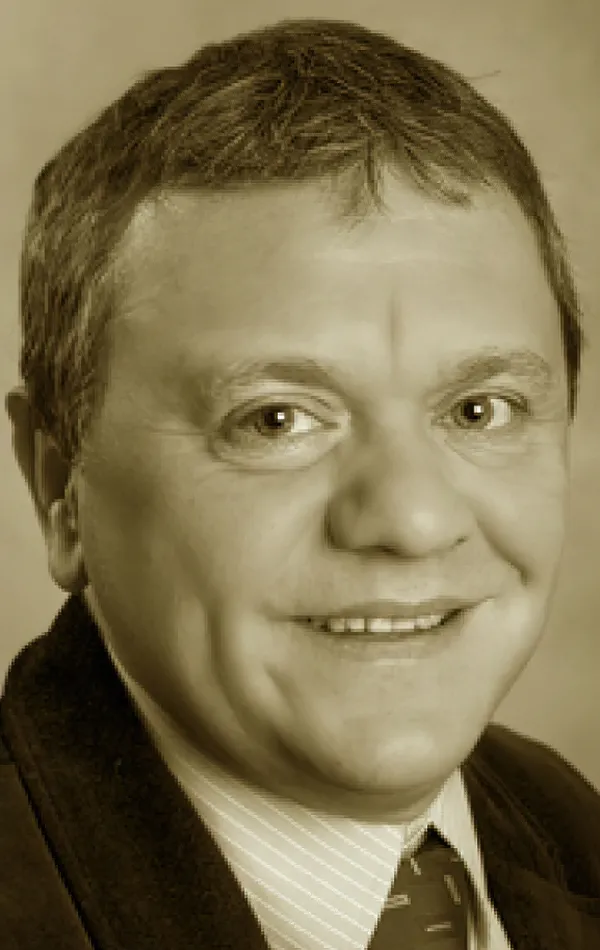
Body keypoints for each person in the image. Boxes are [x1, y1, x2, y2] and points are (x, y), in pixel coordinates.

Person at [2, 16, 599, 950]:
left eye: (480, 409)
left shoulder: (570, 828)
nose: (410, 520)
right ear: (59, 490)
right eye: (275, 420)